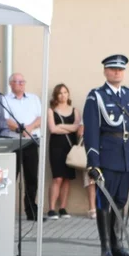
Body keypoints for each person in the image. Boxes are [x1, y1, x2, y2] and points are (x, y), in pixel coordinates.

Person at [83, 54, 129, 256]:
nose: (117, 72)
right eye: (112, 69)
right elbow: (90, 131)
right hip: (106, 157)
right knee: (104, 201)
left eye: (120, 69)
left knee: (120, 200)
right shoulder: (97, 96)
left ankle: (117, 244)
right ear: (105, 72)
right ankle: (106, 247)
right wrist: (93, 162)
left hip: (126, 155)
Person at [2, 73, 43, 220]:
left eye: (22, 82)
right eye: (16, 81)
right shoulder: (5, 100)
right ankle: (6, 211)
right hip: (14, 142)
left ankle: (31, 211)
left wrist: (29, 128)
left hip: (31, 141)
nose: (20, 84)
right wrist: (20, 129)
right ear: (10, 84)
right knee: (11, 177)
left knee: (32, 177)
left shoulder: (33, 99)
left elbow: (40, 117)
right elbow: (5, 120)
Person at [46, 83, 81, 220]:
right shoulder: (51, 110)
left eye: (65, 92)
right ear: (56, 95)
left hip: (70, 146)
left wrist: (61, 125)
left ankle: (63, 208)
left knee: (67, 178)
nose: (63, 95)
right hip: (56, 146)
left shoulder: (74, 110)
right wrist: (69, 127)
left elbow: (77, 128)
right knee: (57, 178)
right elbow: (53, 129)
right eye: (60, 93)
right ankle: (51, 209)